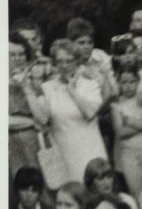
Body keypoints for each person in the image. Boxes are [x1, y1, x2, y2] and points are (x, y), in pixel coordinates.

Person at [35, 39, 108, 183]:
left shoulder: (90, 85)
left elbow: (90, 113)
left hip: (90, 150)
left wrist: (73, 92)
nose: (64, 65)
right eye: (60, 61)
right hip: (63, 153)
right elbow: (43, 120)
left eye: (69, 61)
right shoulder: (47, 88)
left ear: (77, 61)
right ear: (55, 63)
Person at [109, 65, 142, 202]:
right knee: (138, 194)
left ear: (138, 82)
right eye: (124, 82)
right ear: (119, 83)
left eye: (132, 82)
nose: (128, 86)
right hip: (129, 155)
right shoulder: (116, 105)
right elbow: (120, 132)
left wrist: (130, 121)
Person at [9, 32, 44, 177]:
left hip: (31, 142)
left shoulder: (35, 80)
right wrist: (29, 121)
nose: (17, 58)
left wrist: (25, 87)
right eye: (12, 54)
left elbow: (42, 118)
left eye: (21, 54)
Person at [66, 17, 115, 103]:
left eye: (90, 42)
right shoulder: (64, 60)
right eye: (81, 43)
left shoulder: (100, 57)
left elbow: (113, 89)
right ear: (71, 43)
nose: (87, 47)